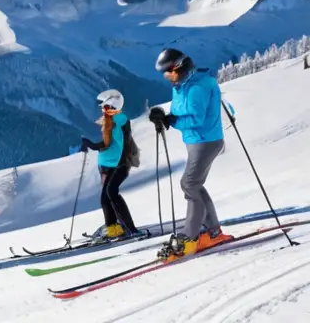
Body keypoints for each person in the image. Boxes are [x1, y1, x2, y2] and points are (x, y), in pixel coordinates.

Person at [149, 48, 233, 261]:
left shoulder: (197, 87)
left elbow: (196, 119)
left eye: (167, 72)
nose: (166, 76)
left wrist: (171, 121)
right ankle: (213, 232)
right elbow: (181, 111)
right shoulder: (182, 84)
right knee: (194, 184)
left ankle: (190, 237)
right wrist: (164, 115)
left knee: (190, 184)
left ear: (178, 67)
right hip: (195, 141)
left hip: (206, 141)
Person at [80, 89, 141, 239]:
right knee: (106, 197)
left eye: (106, 107)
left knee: (111, 193)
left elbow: (114, 145)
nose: (103, 110)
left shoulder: (118, 121)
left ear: (113, 106)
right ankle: (114, 229)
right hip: (108, 164)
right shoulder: (111, 120)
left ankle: (131, 229)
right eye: (103, 107)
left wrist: (92, 145)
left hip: (119, 164)